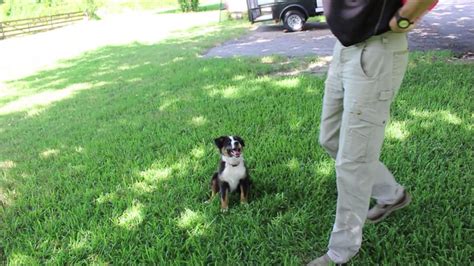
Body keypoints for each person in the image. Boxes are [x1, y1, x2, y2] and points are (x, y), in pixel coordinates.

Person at [309, 0, 438, 265]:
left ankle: (341, 252)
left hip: (377, 48)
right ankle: (393, 195)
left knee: (353, 162)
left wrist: (403, 18)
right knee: (330, 138)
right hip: (344, 47)